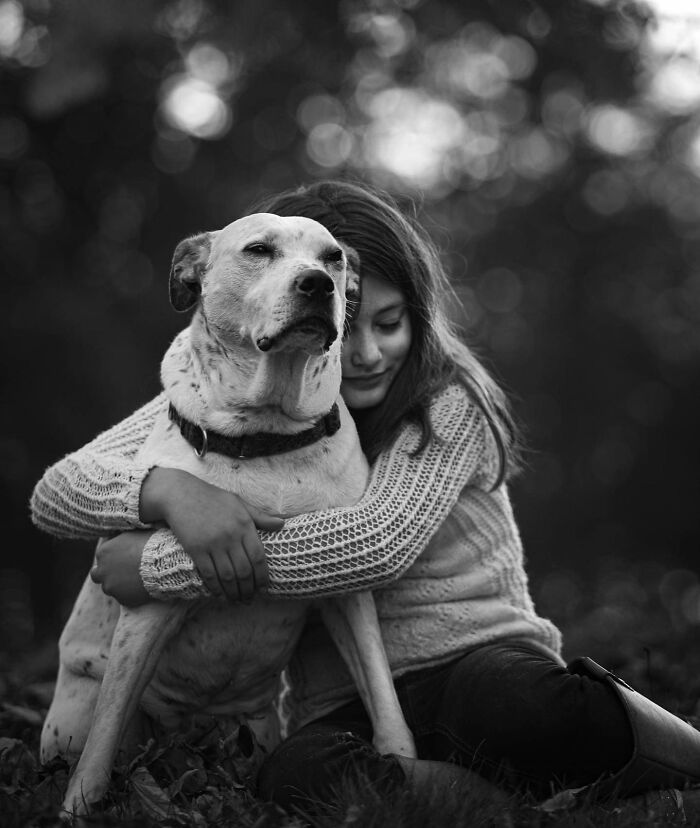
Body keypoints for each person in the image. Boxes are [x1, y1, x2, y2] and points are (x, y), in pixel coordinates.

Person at [30, 180, 700, 817]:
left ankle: (682, 756)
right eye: (350, 329)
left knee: (512, 708)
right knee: (291, 775)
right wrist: (164, 489)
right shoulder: (235, 403)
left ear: (418, 317)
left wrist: (159, 566)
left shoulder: (447, 404)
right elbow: (57, 493)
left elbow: (372, 547)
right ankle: (491, 800)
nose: (370, 353)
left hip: (475, 662)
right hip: (345, 701)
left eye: (391, 323)